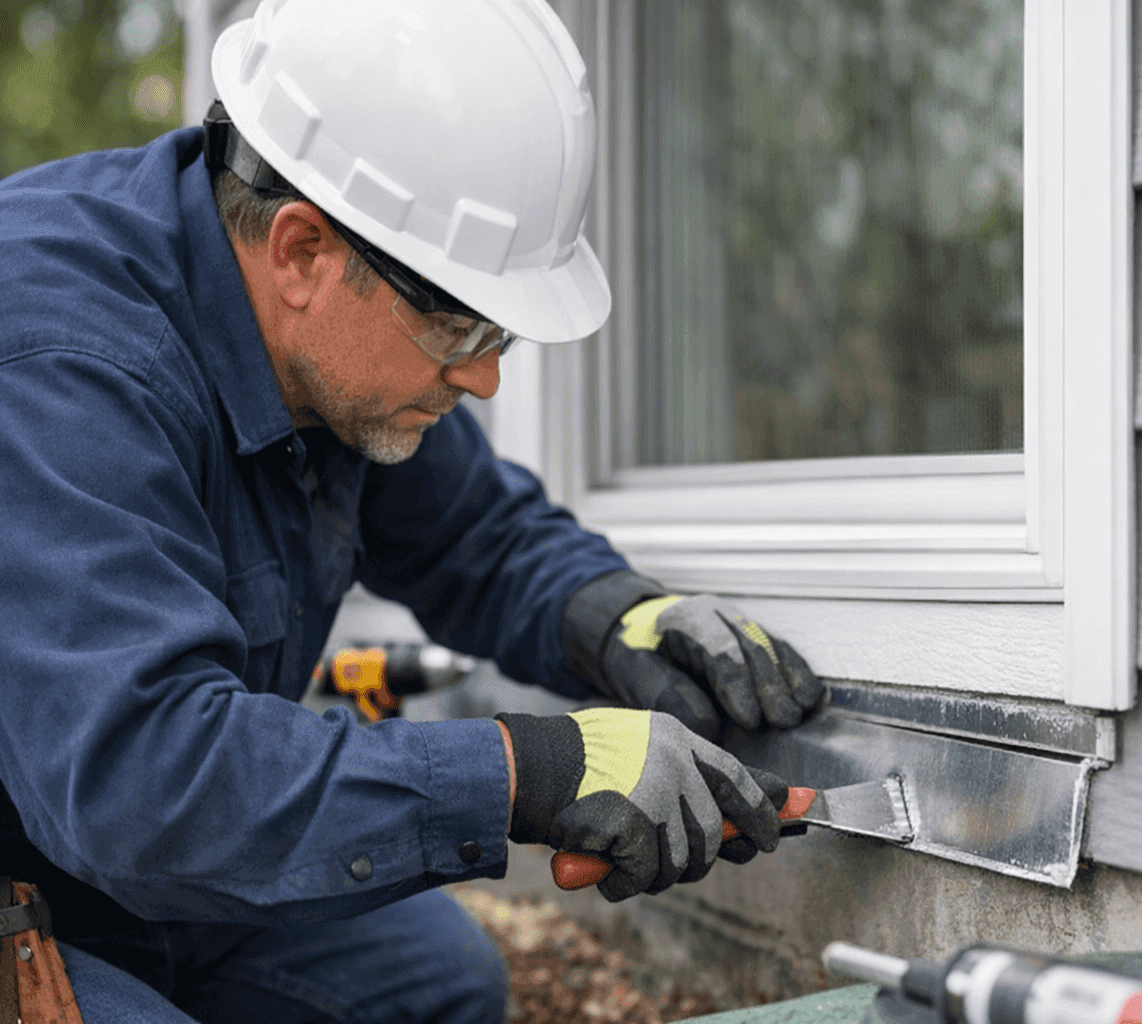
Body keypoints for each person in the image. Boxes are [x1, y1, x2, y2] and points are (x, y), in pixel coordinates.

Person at [0, 0, 825, 1020]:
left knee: (437, 985)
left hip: (117, 857)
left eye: (501, 334)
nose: (480, 378)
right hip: (50, 867)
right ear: (302, 251)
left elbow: (475, 535)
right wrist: (531, 771)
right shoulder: (59, 365)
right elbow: (148, 784)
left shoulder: (320, 338)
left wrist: (618, 620)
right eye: (457, 323)